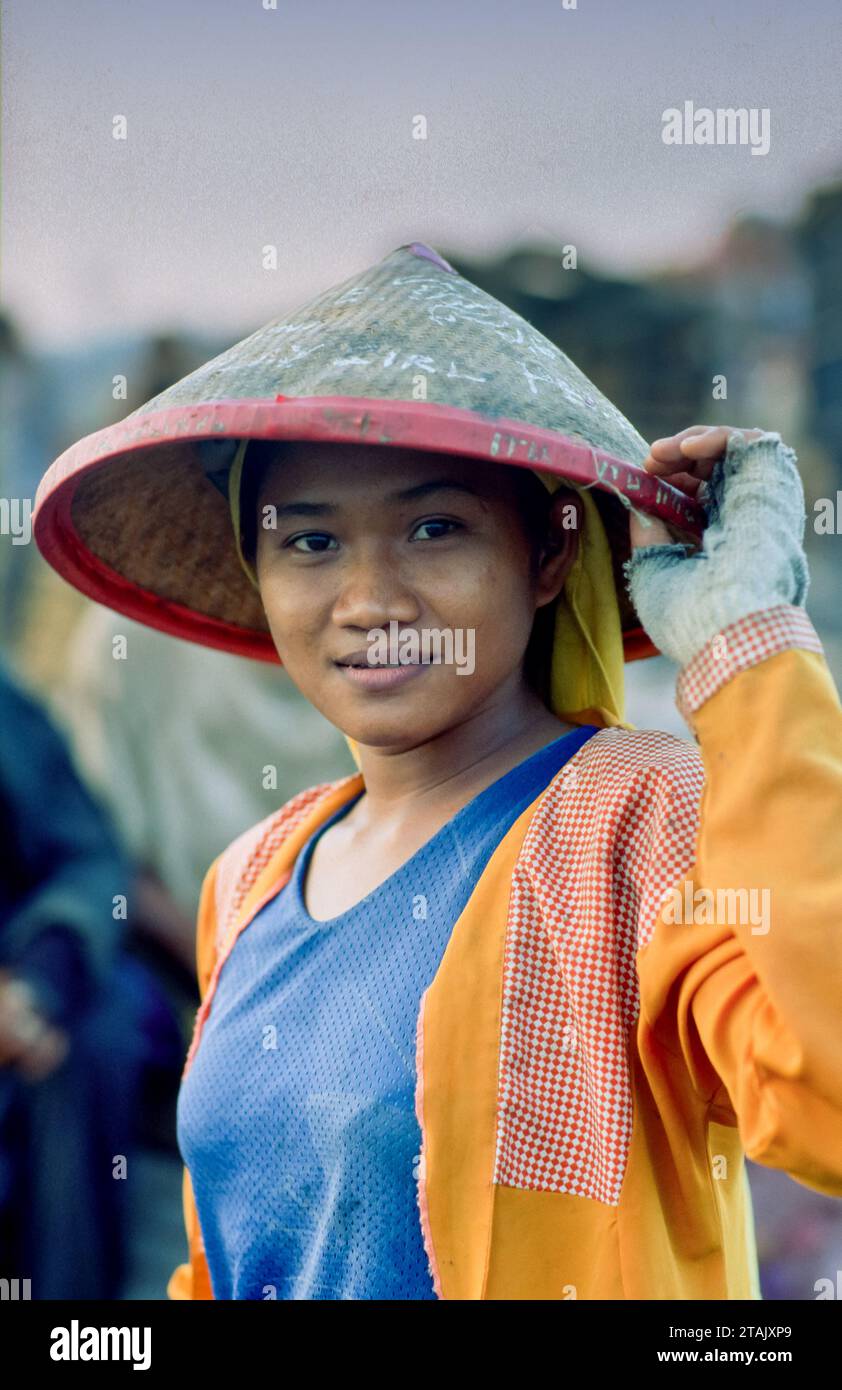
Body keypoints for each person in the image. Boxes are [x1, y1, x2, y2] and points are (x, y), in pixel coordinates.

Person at [31, 242, 842, 1300]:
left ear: (548, 555)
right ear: (258, 574)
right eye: (310, 543)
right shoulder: (252, 877)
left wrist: (749, 644)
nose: (369, 596)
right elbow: (234, 1251)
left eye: (433, 527)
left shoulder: (629, 815)